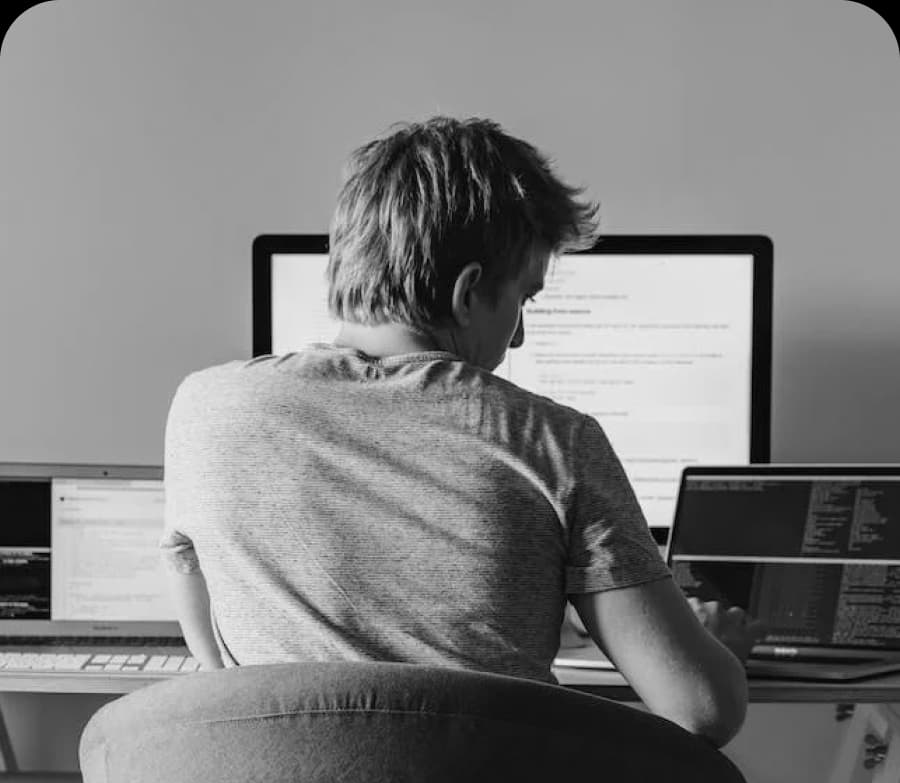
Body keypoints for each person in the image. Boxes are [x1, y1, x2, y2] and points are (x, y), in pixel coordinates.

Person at [160, 115, 763, 747]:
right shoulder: (553, 440)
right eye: (523, 301)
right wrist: (713, 650)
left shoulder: (204, 409)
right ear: (468, 292)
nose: (521, 335)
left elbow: (216, 670)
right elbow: (700, 711)